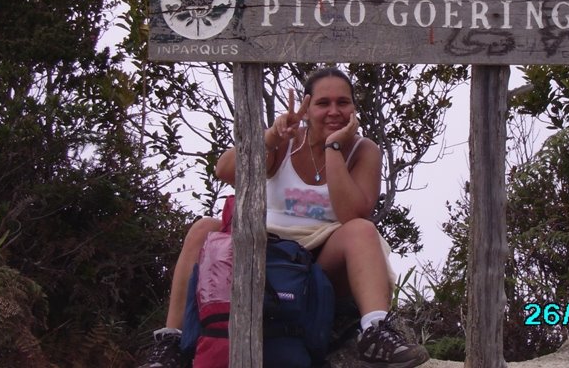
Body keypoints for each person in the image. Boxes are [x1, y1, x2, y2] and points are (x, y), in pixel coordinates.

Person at [138, 67, 429, 368]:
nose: (334, 111)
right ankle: (170, 341)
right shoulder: (284, 140)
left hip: (319, 264)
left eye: (343, 102)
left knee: (361, 230)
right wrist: (271, 138)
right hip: (267, 250)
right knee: (204, 228)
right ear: (306, 107)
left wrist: (333, 148)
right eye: (323, 103)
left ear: (354, 108)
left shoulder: (363, 150)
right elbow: (224, 169)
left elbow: (353, 213)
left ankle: (376, 330)